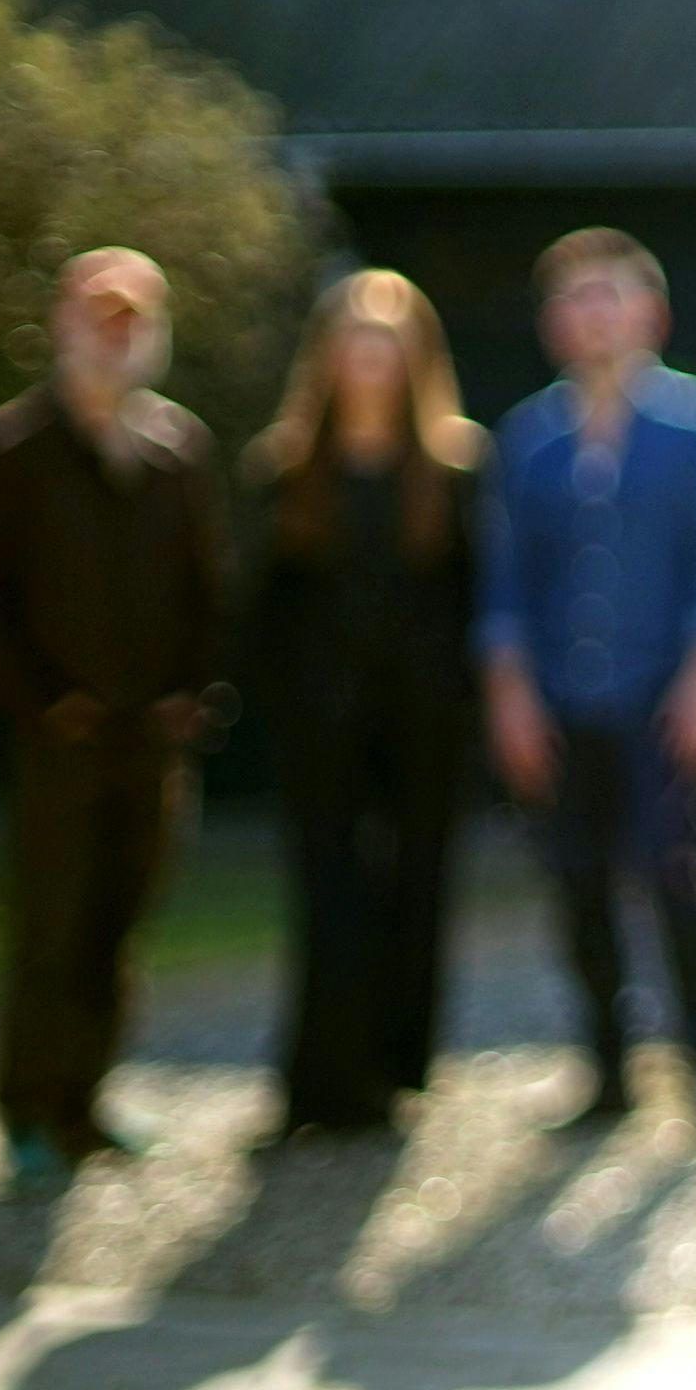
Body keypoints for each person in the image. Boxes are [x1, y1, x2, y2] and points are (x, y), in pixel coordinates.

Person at [477, 229, 696, 1130]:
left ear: (650, 313)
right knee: (576, 883)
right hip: (566, 701)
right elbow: (507, 583)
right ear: (552, 322)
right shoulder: (531, 440)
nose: (593, 316)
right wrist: (511, 695)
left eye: (610, 297)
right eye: (575, 300)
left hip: (664, 696)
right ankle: (606, 1072)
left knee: (677, 877)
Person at [0, 247, 223, 1195]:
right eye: (97, 317)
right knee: (51, 923)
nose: (113, 337)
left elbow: (205, 587)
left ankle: (86, 1097)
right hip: (57, 740)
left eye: (132, 320)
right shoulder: (16, 449)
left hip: (148, 740)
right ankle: (26, 1103)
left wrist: (192, 692)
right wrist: (41, 701)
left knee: (120, 920)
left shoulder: (175, 448)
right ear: (64, 324)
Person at [238, 269, 488, 1139]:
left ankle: (392, 1069)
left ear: (414, 356)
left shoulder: (456, 471)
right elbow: (264, 612)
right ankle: (318, 1079)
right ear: (328, 356)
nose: (371, 359)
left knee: (414, 892)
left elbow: (471, 604)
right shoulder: (286, 468)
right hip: (322, 730)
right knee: (326, 897)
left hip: (424, 730)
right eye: (356, 339)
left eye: (388, 341)